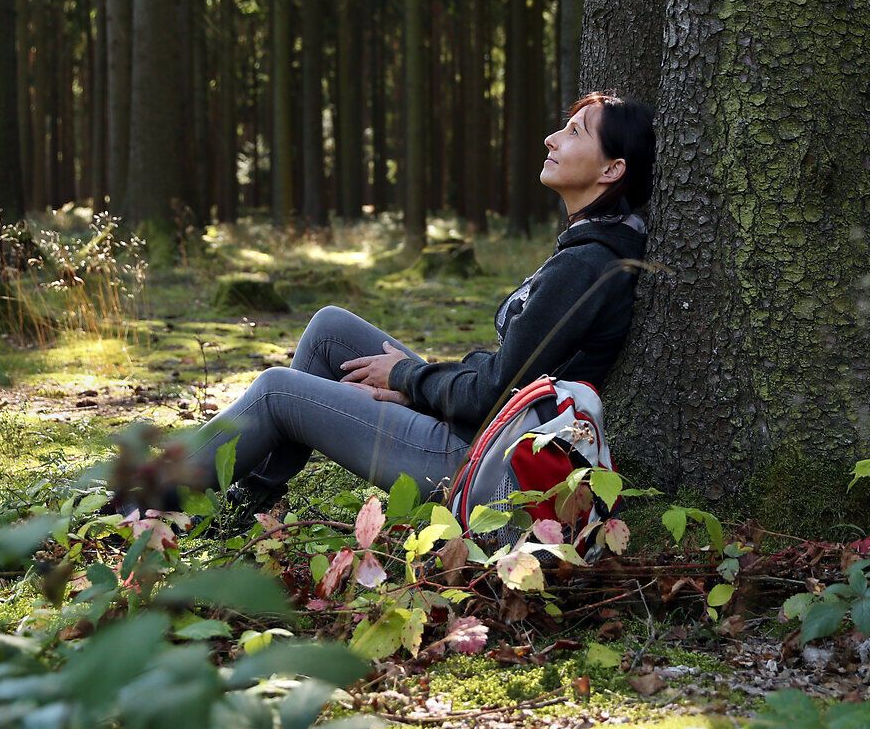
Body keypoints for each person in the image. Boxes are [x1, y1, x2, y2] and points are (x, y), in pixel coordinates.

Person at [181, 92, 655, 522]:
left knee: (275, 391)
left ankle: (149, 493)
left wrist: (409, 378)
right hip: (478, 426)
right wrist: (420, 384)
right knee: (330, 330)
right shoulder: (591, 250)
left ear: (611, 170)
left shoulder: (586, 266)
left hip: (475, 460)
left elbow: (495, 392)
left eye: (575, 132)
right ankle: (245, 502)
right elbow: (507, 377)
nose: (552, 138)